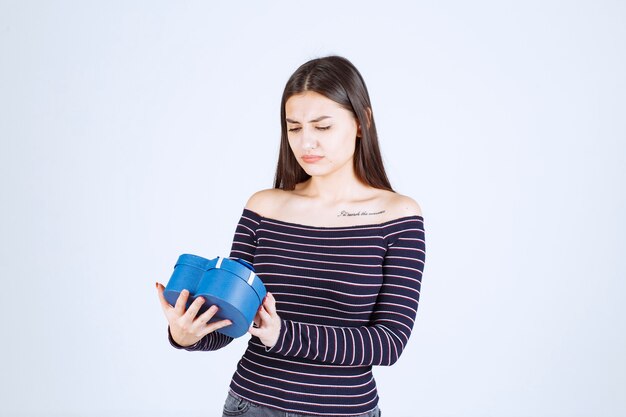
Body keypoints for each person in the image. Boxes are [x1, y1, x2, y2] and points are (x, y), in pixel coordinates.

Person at [156, 55, 426, 417]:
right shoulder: (264, 207)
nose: (307, 142)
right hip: (252, 405)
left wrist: (283, 335)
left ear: (362, 122)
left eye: (323, 127)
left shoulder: (397, 216)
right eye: (294, 128)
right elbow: (235, 320)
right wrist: (187, 335)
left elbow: (389, 343)